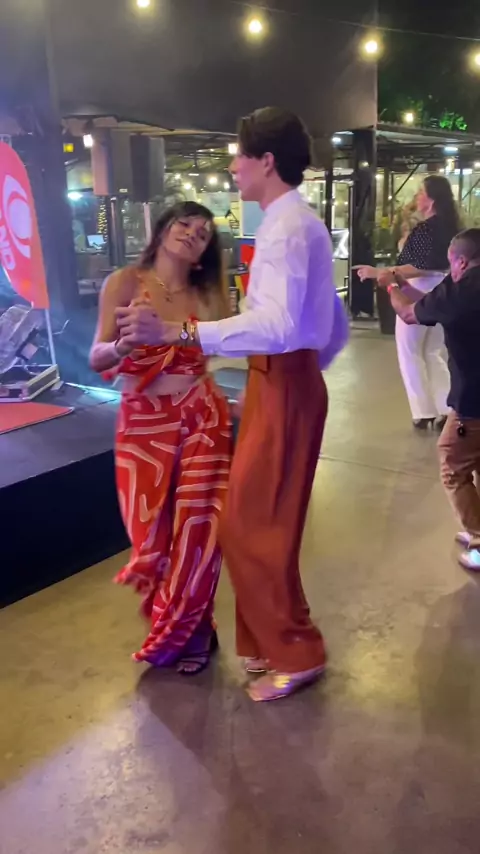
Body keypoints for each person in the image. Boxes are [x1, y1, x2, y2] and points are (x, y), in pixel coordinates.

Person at [114, 107, 350, 702]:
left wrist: (183, 333)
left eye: (239, 154)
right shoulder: (290, 223)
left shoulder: (287, 228)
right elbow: (332, 323)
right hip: (282, 382)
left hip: (284, 383)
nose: (233, 165)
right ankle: (275, 643)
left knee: (254, 526)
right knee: (256, 523)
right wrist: (290, 373)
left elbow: (279, 325)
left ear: (265, 161)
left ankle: (296, 651)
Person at [89, 202, 232, 675]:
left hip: (201, 417)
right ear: (164, 228)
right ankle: (181, 620)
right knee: (150, 536)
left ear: (206, 251)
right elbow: (97, 357)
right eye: (184, 224)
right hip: (141, 425)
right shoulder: (125, 283)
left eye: (203, 234)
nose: (192, 234)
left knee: (197, 530)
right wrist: (123, 345)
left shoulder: (209, 294)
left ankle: (192, 632)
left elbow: (227, 342)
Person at [377, 228, 480, 572]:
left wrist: (389, 286)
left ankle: (479, 538)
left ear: (461, 261)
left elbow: (409, 314)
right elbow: (427, 304)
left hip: (474, 401)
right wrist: (401, 283)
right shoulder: (459, 288)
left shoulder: (463, 290)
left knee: (452, 463)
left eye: (452, 262)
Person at [356, 176, 461, 430]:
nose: (417, 197)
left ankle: (423, 411)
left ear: (431, 199)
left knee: (410, 351)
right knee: (434, 351)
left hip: (417, 288)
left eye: (421, 192)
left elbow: (417, 266)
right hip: (444, 289)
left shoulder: (426, 229)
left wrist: (379, 272)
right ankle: (446, 408)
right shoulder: (453, 228)